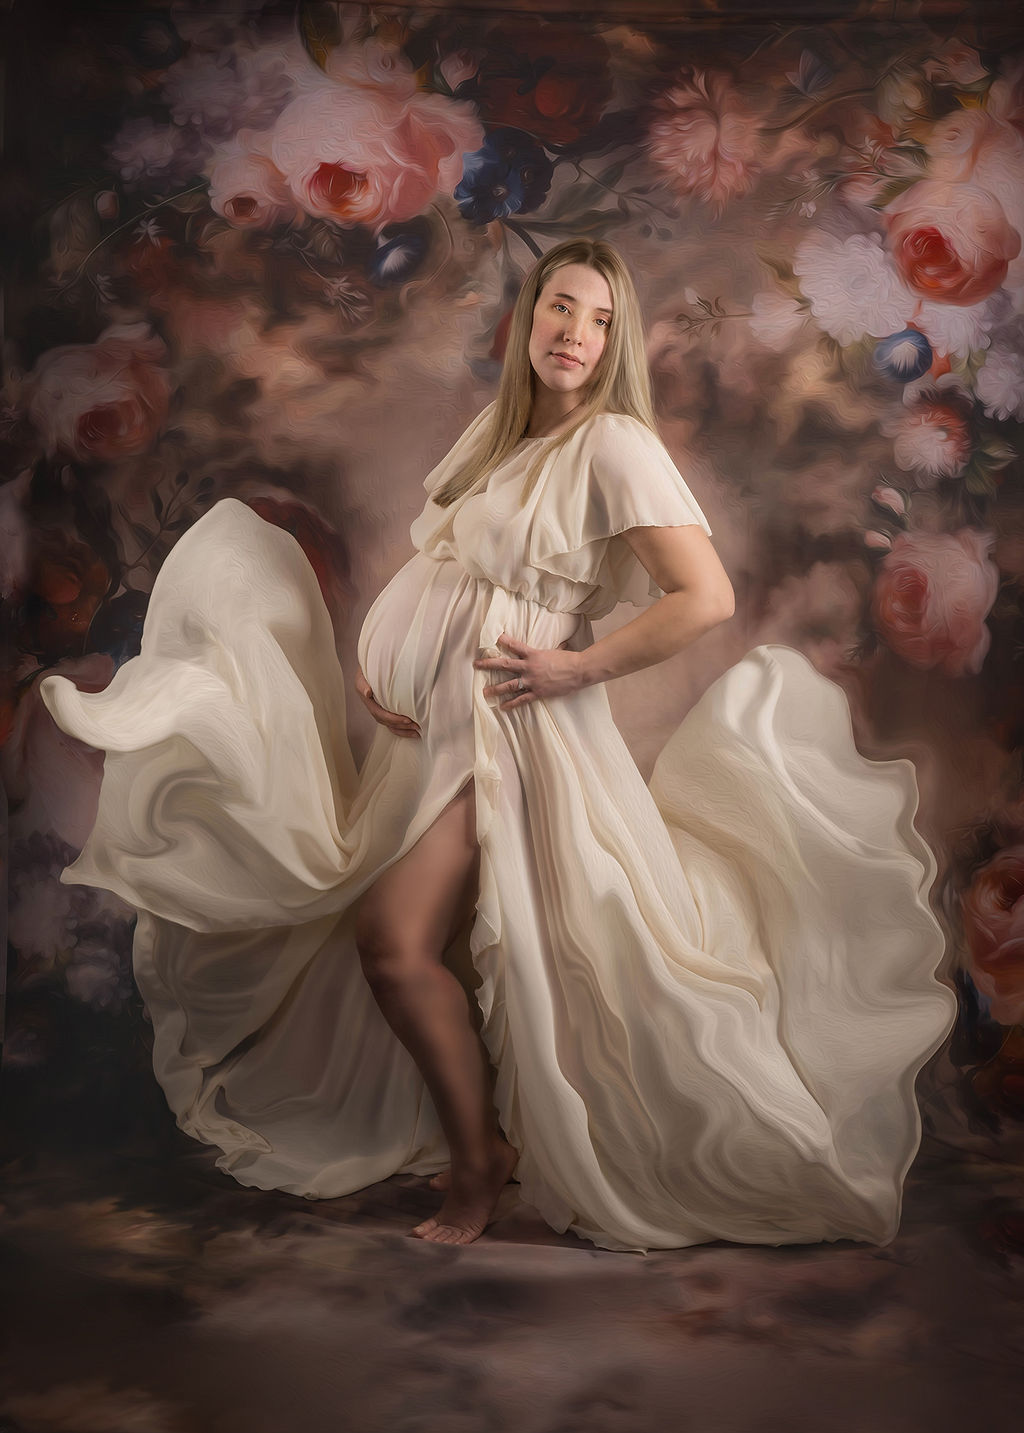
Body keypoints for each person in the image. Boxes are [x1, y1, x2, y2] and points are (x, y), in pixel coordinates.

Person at [41, 238, 956, 1254]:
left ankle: (480, 1162)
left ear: (617, 347)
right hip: (429, 724)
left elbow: (708, 597)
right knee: (435, 944)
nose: (577, 332)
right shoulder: (497, 436)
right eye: (562, 308)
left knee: (394, 939)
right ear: (527, 320)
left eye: (602, 320)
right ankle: (483, 1138)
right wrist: (384, 662)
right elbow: (445, 573)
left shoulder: (613, 446)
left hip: (509, 729)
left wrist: (577, 666)